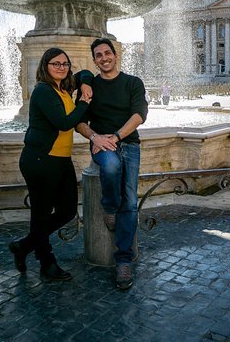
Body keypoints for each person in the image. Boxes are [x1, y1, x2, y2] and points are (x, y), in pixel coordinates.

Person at [9, 48, 93, 281]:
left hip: (61, 159)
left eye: (65, 64)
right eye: (56, 64)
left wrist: (84, 83)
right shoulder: (43, 91)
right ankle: (47, 262)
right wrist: (84, 102)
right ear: (45, 66)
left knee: (66, 211)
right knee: (41, 215)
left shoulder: (64, 87)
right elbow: (64, 123)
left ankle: (24, 246)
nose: (61, 67)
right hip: (40, 160)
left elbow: (86, 72)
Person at [76, 38, 148, 290]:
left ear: (115, 55)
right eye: (98, 55)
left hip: (128, 143)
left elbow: (139, 115)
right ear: (94, 60)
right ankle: (108, 206)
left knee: (130, 200)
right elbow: (79, 121)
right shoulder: (89, 86)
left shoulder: (133, 83)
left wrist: (116, 137)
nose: (104, 58)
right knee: (110, 167)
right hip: (101, 144)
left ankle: (124, 260)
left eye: (108, 53)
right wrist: (96, 138)